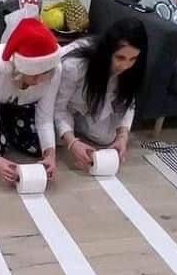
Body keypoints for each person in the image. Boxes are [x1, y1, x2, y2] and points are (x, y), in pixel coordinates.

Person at [55, 18, 147, 169]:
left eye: (133, 59)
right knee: (49, 139)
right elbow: (58, 108)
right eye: (120, 57)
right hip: (61, 103)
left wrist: (123, 136)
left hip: (89, 105)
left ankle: (76, 126)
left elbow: (128, 100)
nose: (125, 66)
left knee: (106, 138)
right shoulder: (74, 65)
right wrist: (72, 142)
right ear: (108, 51)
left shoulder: (131, 69)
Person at [0, 18, 61, 185]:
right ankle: (4, 134)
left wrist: (50, 154)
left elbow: (45, 117)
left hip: (23, 106)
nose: (39, 81)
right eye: (34, 74)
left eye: (44, 73)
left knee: (37, 145)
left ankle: (9, 129)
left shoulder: (54, 72)